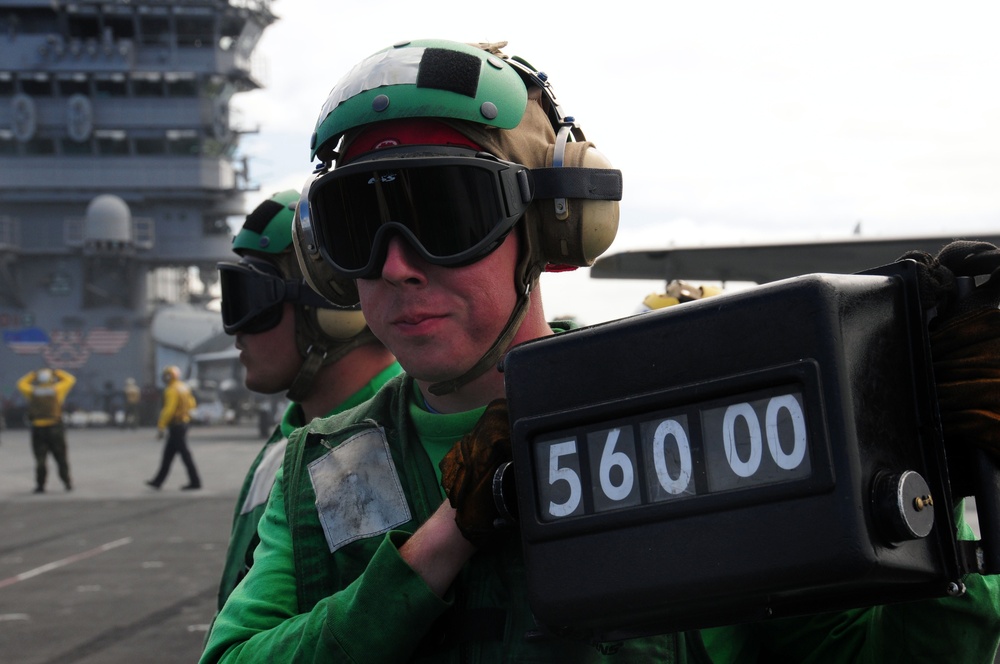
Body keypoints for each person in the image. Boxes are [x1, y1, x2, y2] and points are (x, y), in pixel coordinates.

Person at [202, 40, 1000, 662]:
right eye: (355, 228)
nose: (397, 264)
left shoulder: (693, 415)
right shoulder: (323, 469)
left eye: (443, 213)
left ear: (551, 229)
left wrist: (927, 496)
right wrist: (447, 538)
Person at [212, 190, 401, 610]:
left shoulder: (373, 453)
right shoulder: (292, 445)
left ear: (332, 310)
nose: (236, 332)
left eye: (252, 300)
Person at [17, 367, 76, 493]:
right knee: (61, 458)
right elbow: (70, 379)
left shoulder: (32, 391)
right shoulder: (56, 390)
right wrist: (57, 372)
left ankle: (40, 485)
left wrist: (32, 374)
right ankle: (67, 482)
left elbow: (21, 383)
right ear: (51, 379)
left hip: (38, 429)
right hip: (55, 428)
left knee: (40, 459)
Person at [146, 365, 201, 490]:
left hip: (176, 425)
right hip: (183, 423)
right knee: (168, 455)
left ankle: (195, 481)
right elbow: (192, 404)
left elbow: (169, 409)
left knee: (184, 455)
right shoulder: (184, 387)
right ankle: (157, 481)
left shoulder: (171, 390)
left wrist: (161, 426)